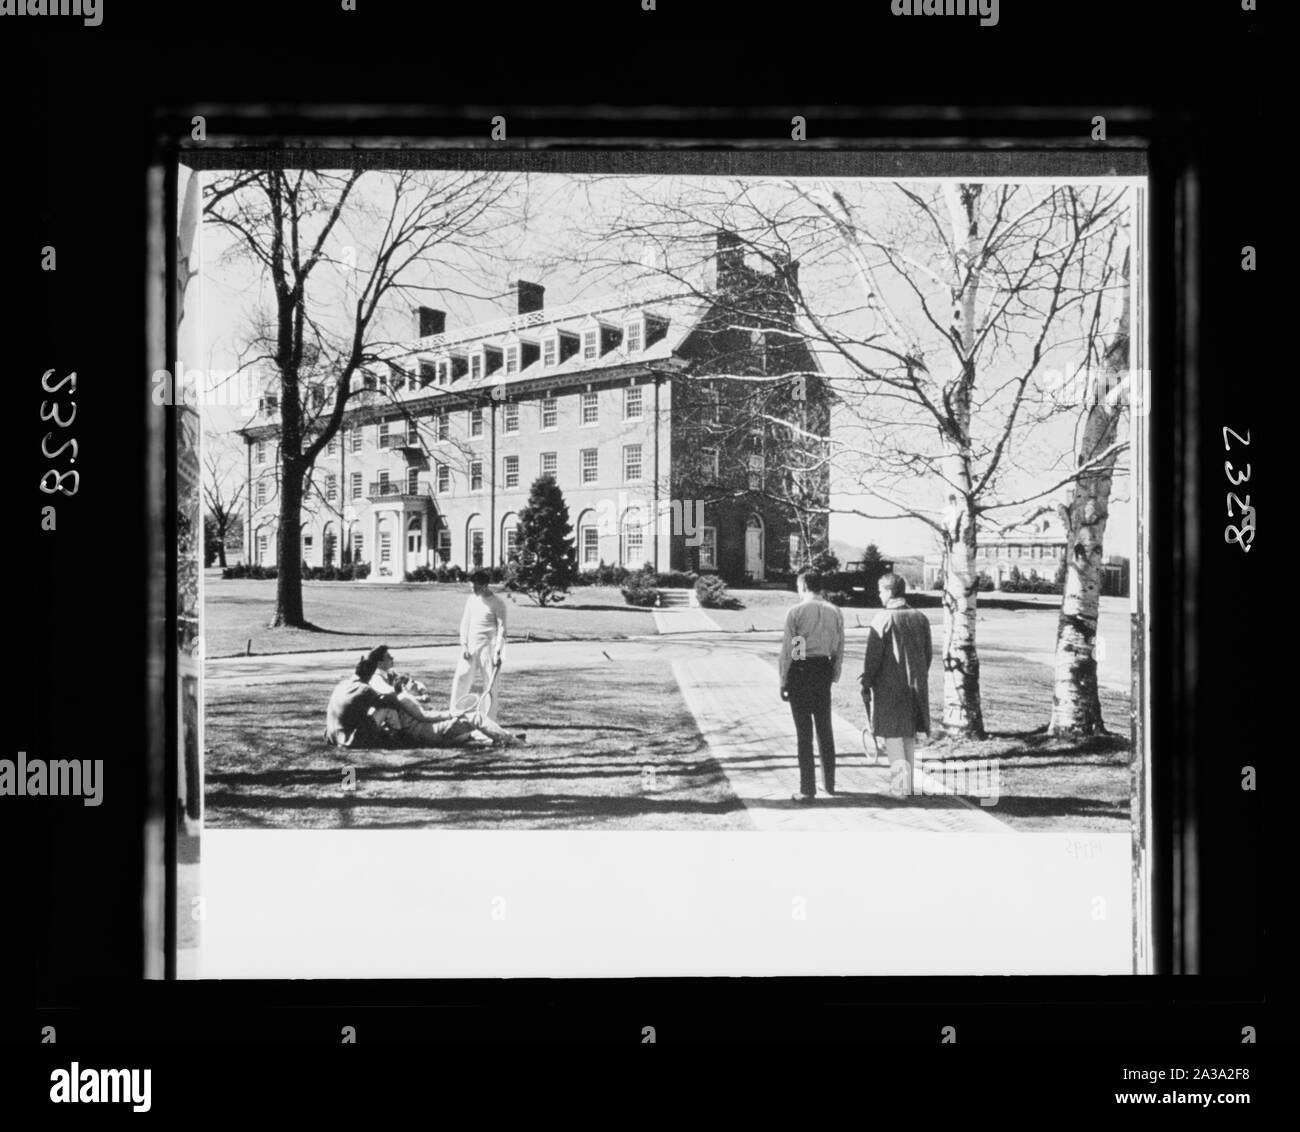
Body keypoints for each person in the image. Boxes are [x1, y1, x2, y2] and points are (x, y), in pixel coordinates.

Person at [326, 646, 521, 749]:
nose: (393, 662)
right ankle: (511, 741)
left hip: (421, 734)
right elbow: (424, 716)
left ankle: (501, 737)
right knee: (475, 718)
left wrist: (416, 694)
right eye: (389, 658)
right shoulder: (396, 696)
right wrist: (454, 712)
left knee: (467, 734)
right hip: (427, 732)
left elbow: (398, 695)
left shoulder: (355, 685)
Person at [859, 573, 933, 797]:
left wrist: (866, 682)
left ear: (889, 592)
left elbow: (873, 658)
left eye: (881, 591)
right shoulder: (920, 617)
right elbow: (927, 654)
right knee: (909, 736)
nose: (879, 595)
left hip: (889, 687)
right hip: (916, 686)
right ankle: (908, 786)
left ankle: (900, 788)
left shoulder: (883, 619)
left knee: (893, 736)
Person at [778, 568, 845, 803]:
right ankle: (830, 783)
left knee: (804, 733)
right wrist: (833, 673)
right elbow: (839, 646)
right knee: (825, 729)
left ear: (804, 586)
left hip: (802, 669)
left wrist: (785, 679)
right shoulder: (834, 611)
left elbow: (792, 649)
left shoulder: (797, 612)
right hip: (823, 669)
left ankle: (807, 789)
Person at [451, 570, 508, 722]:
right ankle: (455, 715)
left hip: (489, 647)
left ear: (485, 585)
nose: (473, 590)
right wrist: (463, 645)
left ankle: (488, 719)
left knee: (490, 683)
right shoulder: (471, 600)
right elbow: (465, 623)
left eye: (476, 587)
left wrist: (498, 652)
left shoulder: (498, 603)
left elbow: (502, 629)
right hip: (470, 646)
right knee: (461, 678)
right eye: (472, 587)